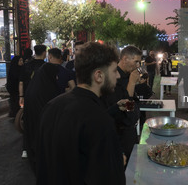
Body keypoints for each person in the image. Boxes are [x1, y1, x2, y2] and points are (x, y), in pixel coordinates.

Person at [36, 42, 126, 185]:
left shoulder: (51, 106)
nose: (118, 76)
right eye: (114, 70)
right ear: (99, 76)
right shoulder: (99, 119)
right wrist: (117, 161)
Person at [104, 46, 142, 160]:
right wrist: (131, 84)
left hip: (130, 133)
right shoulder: (115, 80)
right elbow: (126, 109)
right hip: (120, 134)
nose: (137, 66)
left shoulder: (128, 76)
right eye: (136, 62)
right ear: (125, 59)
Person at [19, 44, 46, 159]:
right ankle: (41, 147)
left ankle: (26, 148)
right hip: (42, 97)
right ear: (44, 53)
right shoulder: (46, 67)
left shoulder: (26, 65)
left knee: (28, 121)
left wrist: (21, 96)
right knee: (42, 122)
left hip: (28, 97)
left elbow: (21, 82)